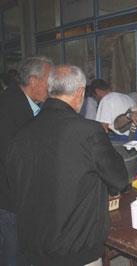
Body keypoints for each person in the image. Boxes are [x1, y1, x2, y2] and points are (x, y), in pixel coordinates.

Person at [5, 64, 128, 266]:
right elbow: (119, 180)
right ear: (80, 92)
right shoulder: (88, 132)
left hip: (32, 250)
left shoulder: (21, 133)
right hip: (76, 252)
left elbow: (15, 185)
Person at [0, 56, 53, 266]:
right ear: (33, 81)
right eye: (49, 79)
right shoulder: (8, 108)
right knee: (15, 254)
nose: (52, 85)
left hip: (21, 198)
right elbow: (14, 158)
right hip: (12, 200)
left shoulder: (29, 104)